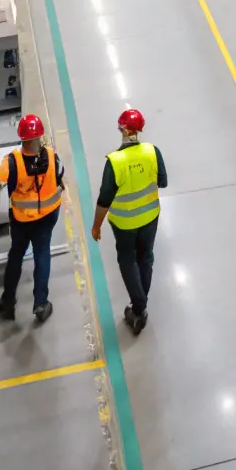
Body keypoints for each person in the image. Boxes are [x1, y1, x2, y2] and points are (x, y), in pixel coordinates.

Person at [91, 109, 167, 334]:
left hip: (124, 224)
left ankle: (139, 307)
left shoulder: (115, 162)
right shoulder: (153, 151)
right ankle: (139, 304)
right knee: (146, 257)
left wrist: (96, 226)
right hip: (150, 217)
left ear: (123, 130)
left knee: (127, 260)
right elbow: (162, 182)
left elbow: (104, 199)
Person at [0, 114, 64, 324]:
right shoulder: (52, 155)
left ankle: (7, 302)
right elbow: (60, 177)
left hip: (22, 221)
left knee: (16, 256)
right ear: (40, 135)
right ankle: (40, 303)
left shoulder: (11, 162)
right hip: (48, 217)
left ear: (22, 137)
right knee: (42, 255)